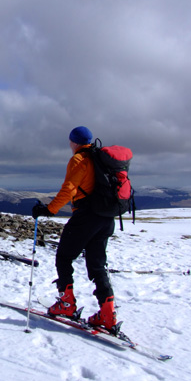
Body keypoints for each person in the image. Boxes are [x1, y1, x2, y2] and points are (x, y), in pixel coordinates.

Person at [32, 126, 117, 331]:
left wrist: (50, 210)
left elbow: (69, 188)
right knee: (97, 265)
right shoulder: (102, 161)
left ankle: (67, 304)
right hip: (106, 218)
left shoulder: (79, 160)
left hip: (86, 216)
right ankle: (107, 315)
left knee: (64, 256)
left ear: (74, 142)